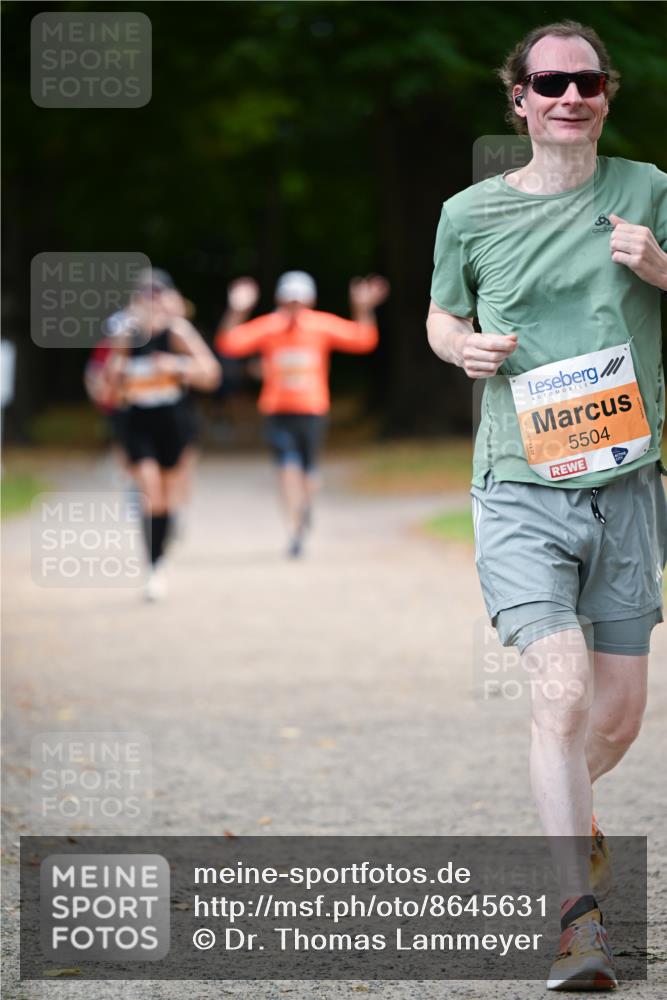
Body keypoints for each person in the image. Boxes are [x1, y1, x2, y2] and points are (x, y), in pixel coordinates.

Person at [427, 20, 667, 991]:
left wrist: (657, 267)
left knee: (616, 715)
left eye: (588, 82)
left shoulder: (648, 191)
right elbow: (442, 314)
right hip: (521, 484)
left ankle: (566, 815)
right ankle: (578, 922)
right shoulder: (468, 213)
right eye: (549, 82)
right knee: (560, 691)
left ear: (606, 95)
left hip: (626, 482)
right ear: (518, 99)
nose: (570, 96)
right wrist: (460, 348)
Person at [215, 271, 389, 557]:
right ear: (280, 300)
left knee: (308, 475)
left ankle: (304, 508)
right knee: (286, 469)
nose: (294, 307)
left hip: (312, 409)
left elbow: (364, 340)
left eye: (299, 300)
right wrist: (237, 309)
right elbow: (228, 343)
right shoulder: (270, 327)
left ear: (309, 301)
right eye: (289, 300)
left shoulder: (319, 325)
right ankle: (294, 530)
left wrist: (363, 309)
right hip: (277, 410)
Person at [107, 269, 222, 600]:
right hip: (138, 423)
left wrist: (176, 366)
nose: (151, 302)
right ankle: (153, 568)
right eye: (145, 295)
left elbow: (211, 374)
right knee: (150, 490)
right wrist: (116, 370)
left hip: (174, 424)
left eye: (157, 295)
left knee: (168, 498)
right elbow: (109, 384)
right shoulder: (126, 334)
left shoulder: (178, 332)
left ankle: (163, 545)